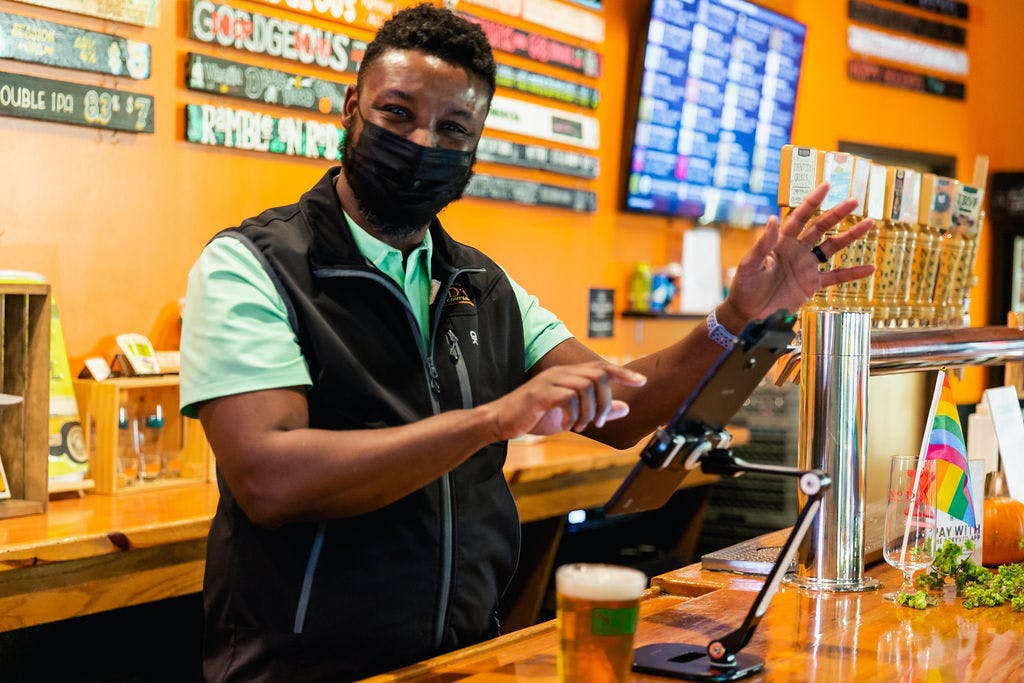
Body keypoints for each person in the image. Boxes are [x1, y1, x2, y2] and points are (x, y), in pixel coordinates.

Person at [180, 4, 874, 681]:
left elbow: (625, 410)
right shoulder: (254, 264)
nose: (422, 143)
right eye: (397, 113)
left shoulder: (480, 284)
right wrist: (492, 418)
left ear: (474, 147)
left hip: (465, 660)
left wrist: (738, 314)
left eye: (452, 127)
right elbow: (268, 475)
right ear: (349, 106)